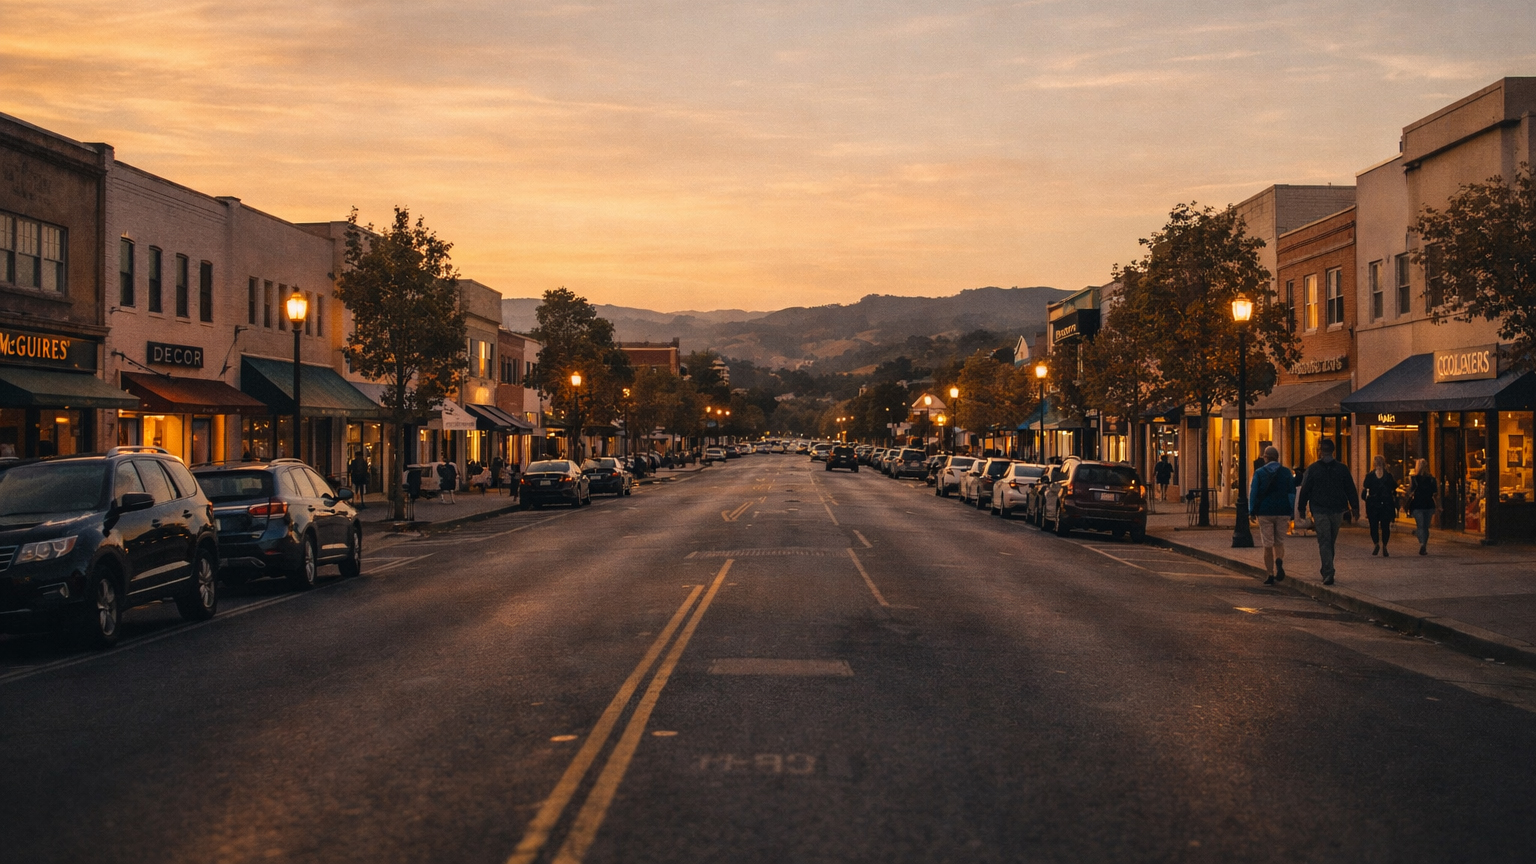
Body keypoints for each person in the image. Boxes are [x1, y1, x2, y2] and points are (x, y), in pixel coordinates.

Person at [1296, 438, 1359, 586]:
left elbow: (1305, 490)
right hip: (1336, 509)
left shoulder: (1313, 469)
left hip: (1320, 509)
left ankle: (1327, 568)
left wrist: (1301, 508)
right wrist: (1355, 508)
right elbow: (1350, 489)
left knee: (1326, 540)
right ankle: (1328, 570)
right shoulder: (1342, 469)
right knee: (1329, 540)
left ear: (1320, 451)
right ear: (1333, 451)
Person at [1249, 446, 1295, 585]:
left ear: (1266, 458)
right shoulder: (1286, 473)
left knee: (1267, 545)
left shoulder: (1259, 473)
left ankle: (1270, 574)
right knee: (1279, 542)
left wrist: (1252, 510)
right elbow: (1292, 493)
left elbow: (1253, 492)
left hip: (1265, 511)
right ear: (1277, 458)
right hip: (1282, 510)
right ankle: (1279, 560)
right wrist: (1291, 510)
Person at [1361, 454, 1399, 557]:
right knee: (1385, 526)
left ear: (1374, 464)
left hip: (1373, 503)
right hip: (1386, 503)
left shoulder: (1370, 476)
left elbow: (1365, 485)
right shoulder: (1388, 475)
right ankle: (1385, 546)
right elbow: (1394, 486)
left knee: (1373, 525)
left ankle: (1376, 543)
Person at [1406, 458, 1437, 556]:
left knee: (1420, 526)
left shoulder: (1414, 479)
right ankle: (1424, 545)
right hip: (1428, 504)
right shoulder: (1432, 479)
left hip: (1417, 504)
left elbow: (1410, 491)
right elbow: (1435, 493)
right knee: (1426, 527)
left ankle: (1422, 544)